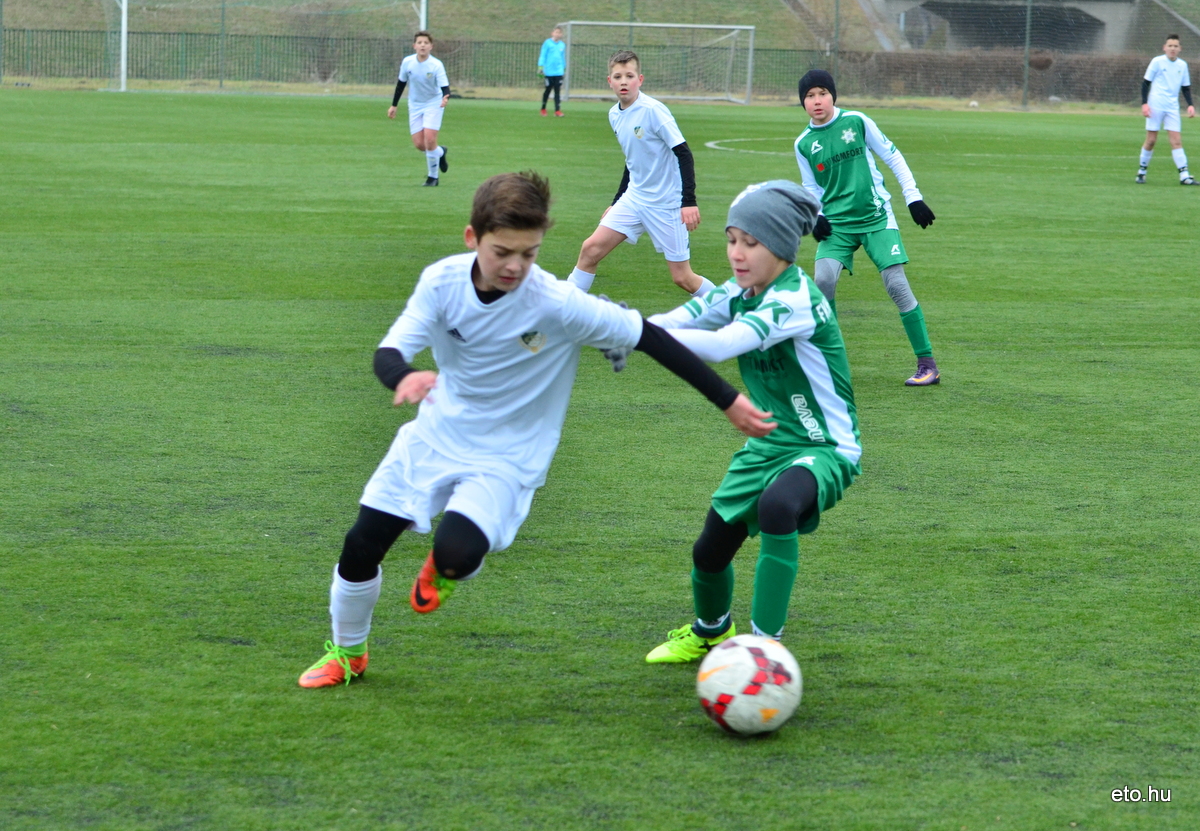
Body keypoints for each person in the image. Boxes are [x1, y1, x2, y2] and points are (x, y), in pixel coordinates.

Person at [298, 171, 776, 688]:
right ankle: (348, 655)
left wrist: (728, 401)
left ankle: (447, 567)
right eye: (503, 251)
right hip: (435, 434)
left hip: (508, 455)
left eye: (529, 253)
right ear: (471, 238)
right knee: (362, 544)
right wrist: (405, 375)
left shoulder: (555, 302)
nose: (515, 266)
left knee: (457, 558)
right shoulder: (441, 282)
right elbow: (391, 349)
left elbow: (649, 338)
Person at [643, 180, 861, 662]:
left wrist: (637, 335)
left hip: (824, 445)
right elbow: (676, 320)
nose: (736, 254)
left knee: (778, 506)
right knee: (709, 552)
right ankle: (710, 631)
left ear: (781, 246)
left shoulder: (794, 298)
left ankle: (765, 649)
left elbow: (721, 345)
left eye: (751, 243)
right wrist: (611, 324)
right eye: (731, 239)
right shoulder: (736, 291)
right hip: (766, 443)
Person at [793, 69, 941, 387]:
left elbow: (893, 156)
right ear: (802, 103)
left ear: (833, 95)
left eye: (822, 93)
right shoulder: (804, 143)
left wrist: (913, 198)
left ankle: (927, 364)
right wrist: (814, 215)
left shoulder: (857, 121)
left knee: (896, 285)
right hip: (838, 224)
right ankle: (827, 361)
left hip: (876, 217)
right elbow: (809, 186)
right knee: (823, 280)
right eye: (809, 96)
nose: (817, 101)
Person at [567, 50, 714, 298]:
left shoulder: (653, 111)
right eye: (618, 76)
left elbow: (684, 154)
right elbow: (632, 160)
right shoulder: (614, 114)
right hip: (634, 199)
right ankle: (565, 308)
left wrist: (688, 202)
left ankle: (732, 309)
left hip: (666, 204)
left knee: (683, 278)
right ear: (609, 81)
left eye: (629, 75)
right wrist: (616, 202)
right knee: (590, 249)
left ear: (640, 79)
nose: (624, 81)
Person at [388, 31, 450, 187]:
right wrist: (394, 105)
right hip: (415, 104)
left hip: (433, 103)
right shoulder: (408, 62)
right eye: (420, 42)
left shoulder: (436, 65)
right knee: (419, 145)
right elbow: (401, 83)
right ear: (414, 46)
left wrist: (445, 97)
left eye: (426, 43)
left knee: (429, 140)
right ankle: (440, 152)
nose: (423, 45)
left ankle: (432, 178)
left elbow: (445, 86)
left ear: (431, 46)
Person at [1137, 34, 1198, 185]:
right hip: (1156, 105)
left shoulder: (1182, 65)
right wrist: (1145, 103)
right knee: (1151, 140)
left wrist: (1190, 104)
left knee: (1176, 141)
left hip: (1172, 107)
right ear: (1164, 47)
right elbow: (1146, 84)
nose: (1172, 48)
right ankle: (1141, 171)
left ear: (1180, 49)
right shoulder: (1157, 62)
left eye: (1175, 46)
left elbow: (1185, 87)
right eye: (1170, 46)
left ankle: (1184, 176)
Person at [538, 26, 566, 117]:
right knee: (548, 90)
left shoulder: (562, 45)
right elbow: (543, 55)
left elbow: (562, 58)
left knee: (557, 91)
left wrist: (564, 68)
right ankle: (543, 108)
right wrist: (540, 67)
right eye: (556, 32)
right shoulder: (547, 43)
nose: (558, 34)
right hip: (549, 72)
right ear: (552, 33)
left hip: (559, 72)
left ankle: (557, 110)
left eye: (559, 33)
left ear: (561, 34)